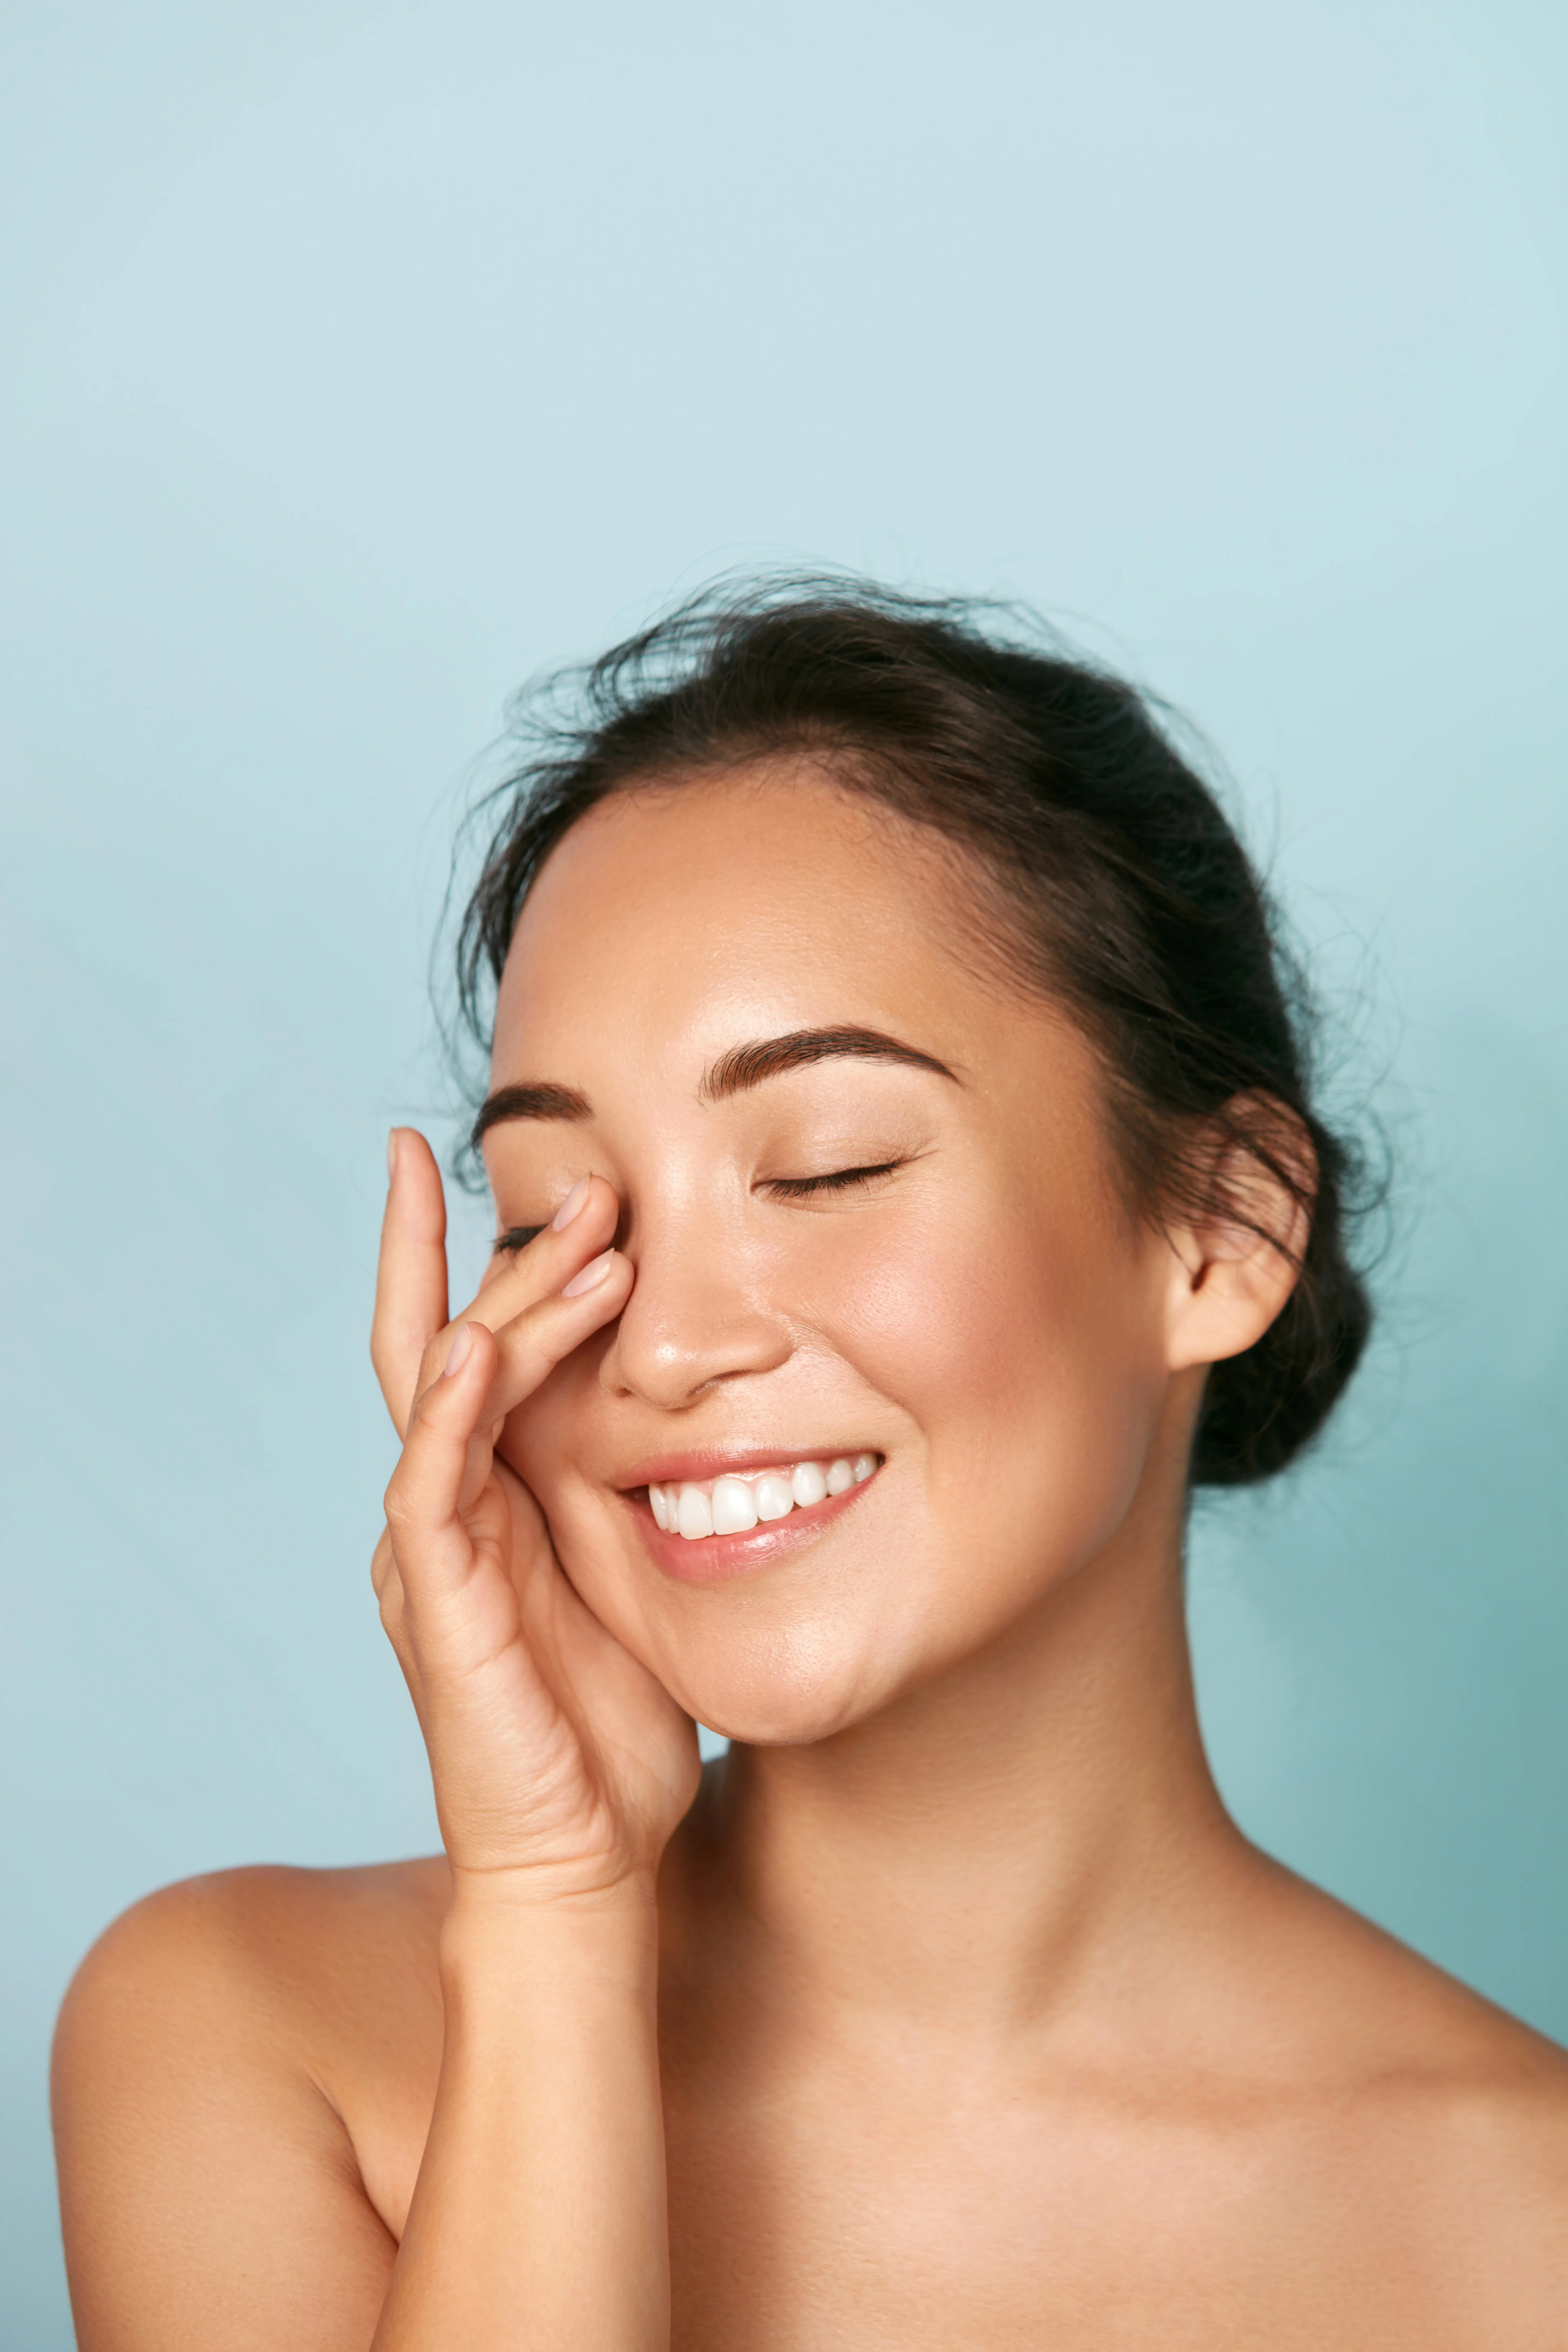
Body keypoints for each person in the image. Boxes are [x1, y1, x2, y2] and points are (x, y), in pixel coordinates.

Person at [52, 583, 1568, 2348]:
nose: (665, 1344)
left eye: (829, 1166)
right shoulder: (251, 2033)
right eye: (557, 1218)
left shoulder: (1520, 2234)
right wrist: (555, 1928)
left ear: (1222, 1230)